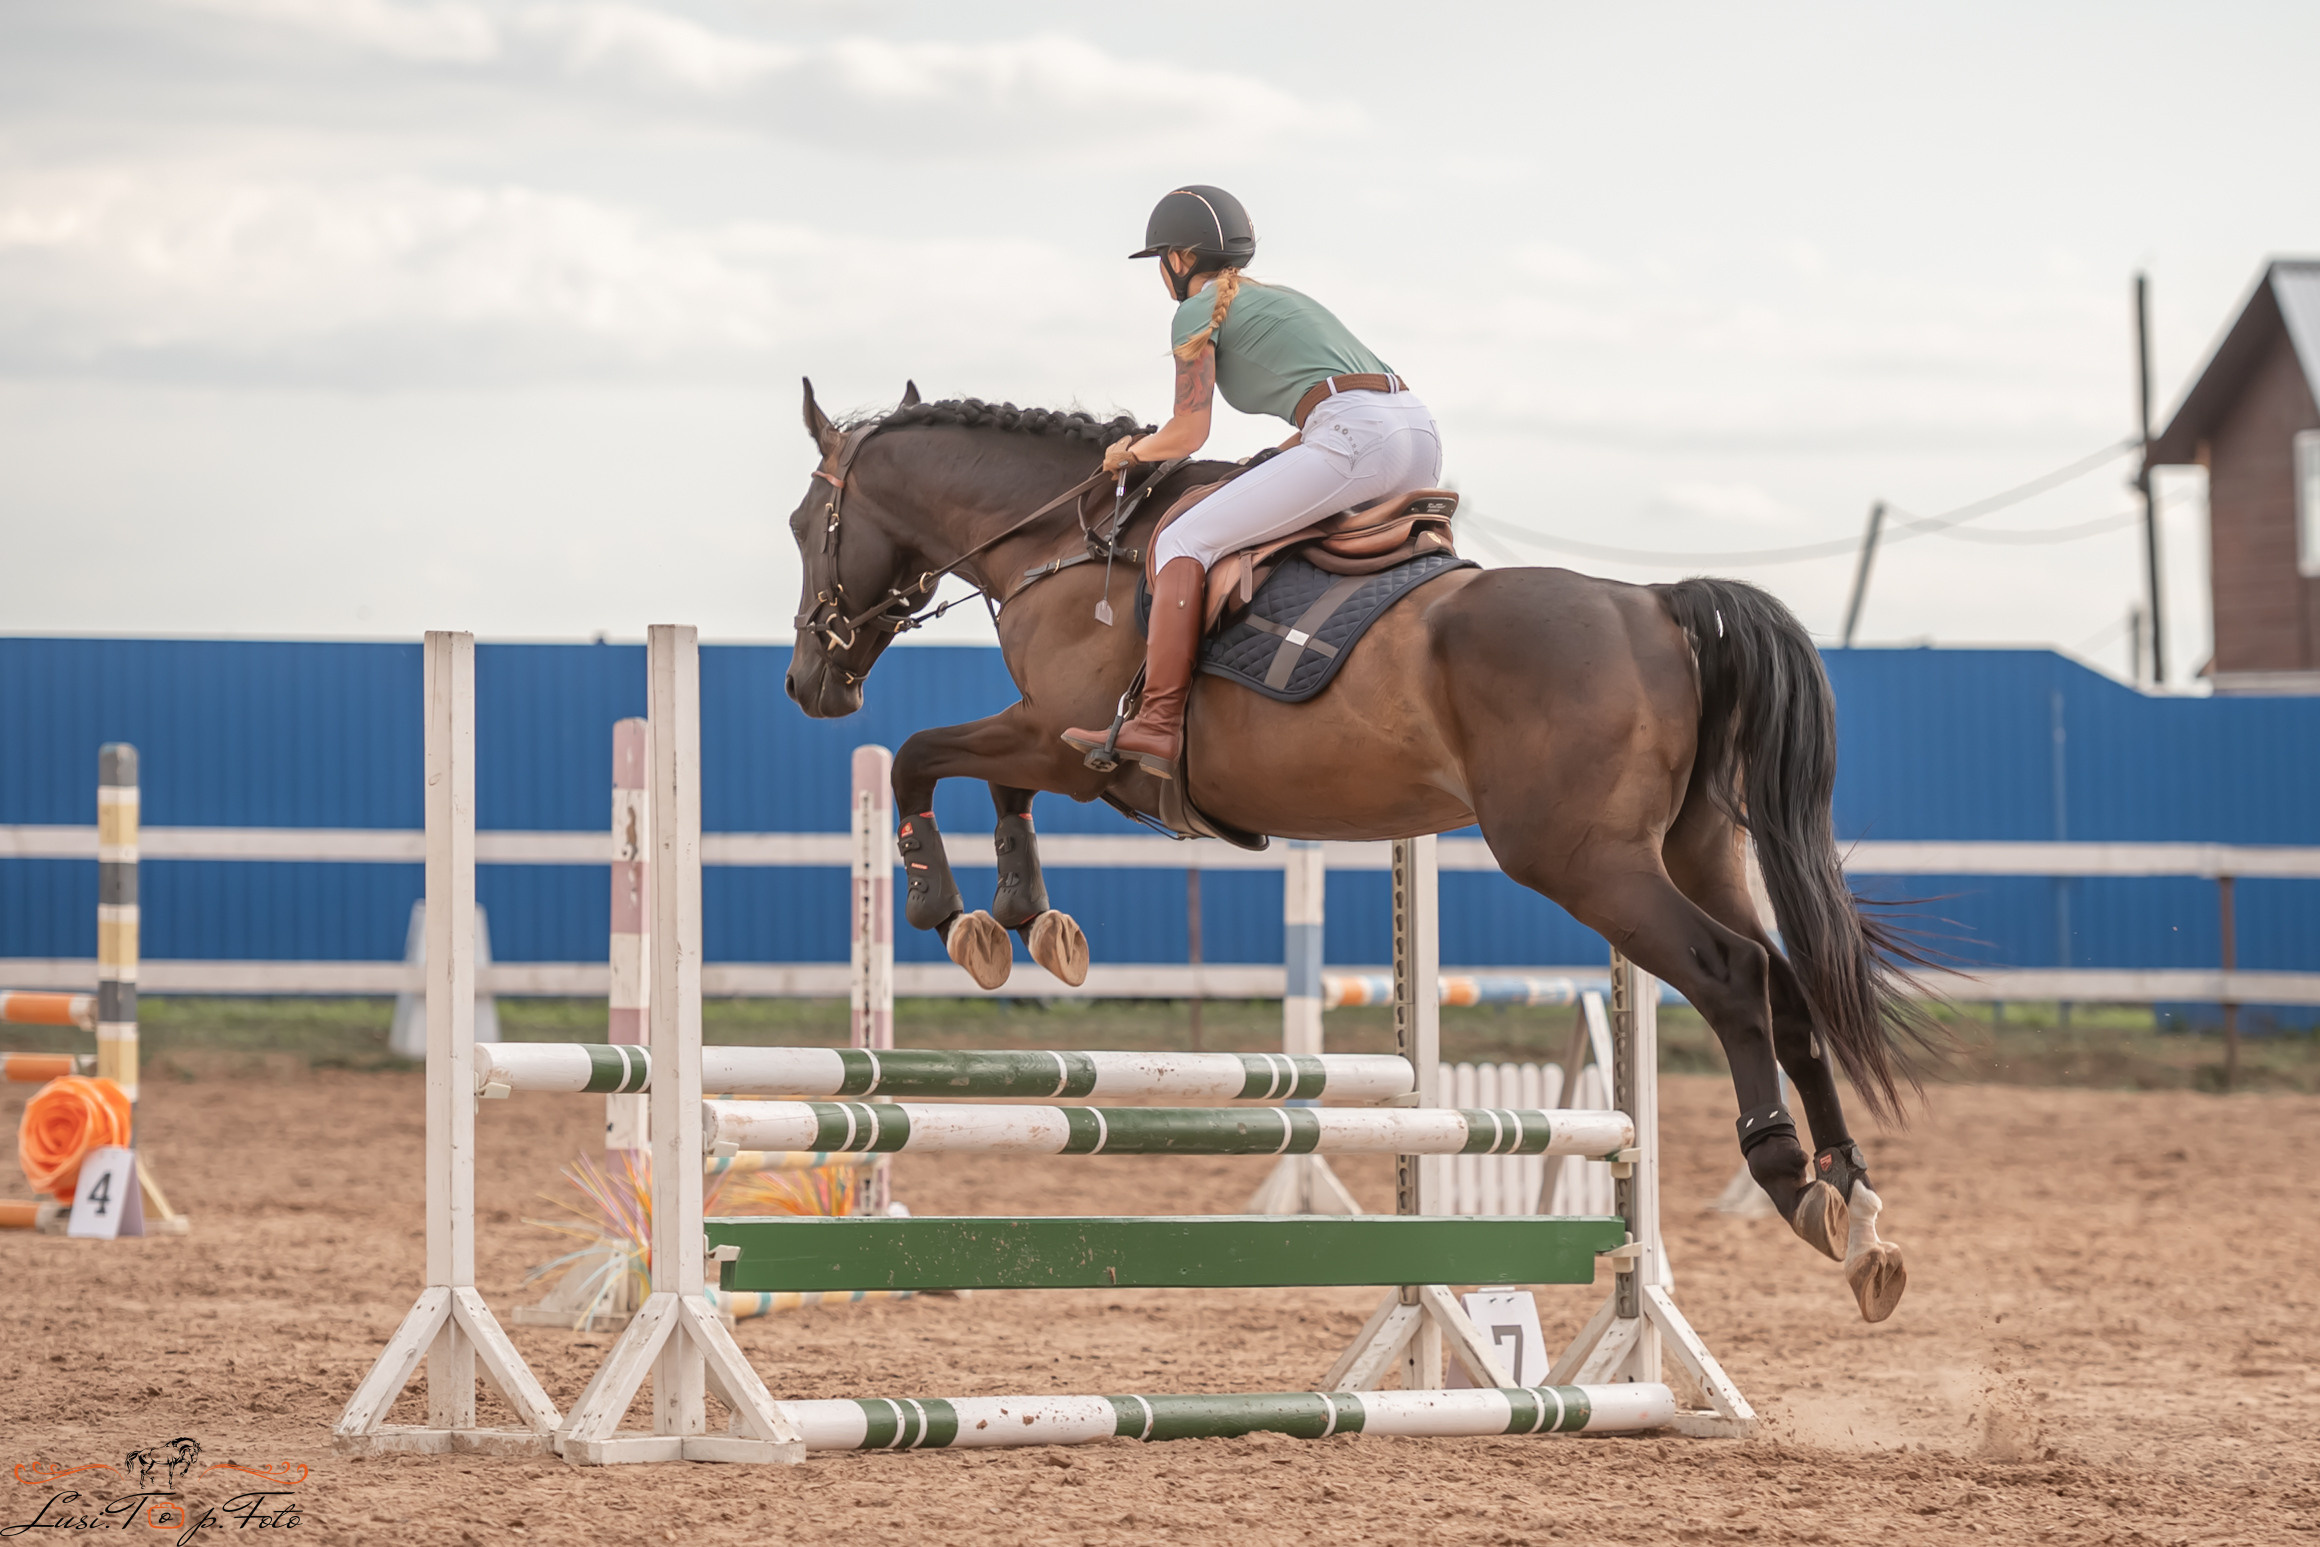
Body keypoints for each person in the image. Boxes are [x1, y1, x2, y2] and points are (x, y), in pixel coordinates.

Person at [1062, 185, 1443, 779]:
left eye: (1163, 260)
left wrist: (1128, 453)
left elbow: (1188, 435)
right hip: (1417, 435)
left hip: (1353, 437)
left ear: (1180, 260)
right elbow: (1331, 398)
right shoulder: (1284, 298)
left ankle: (1158, 722)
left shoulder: (1194, 310)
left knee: (1184, 539)